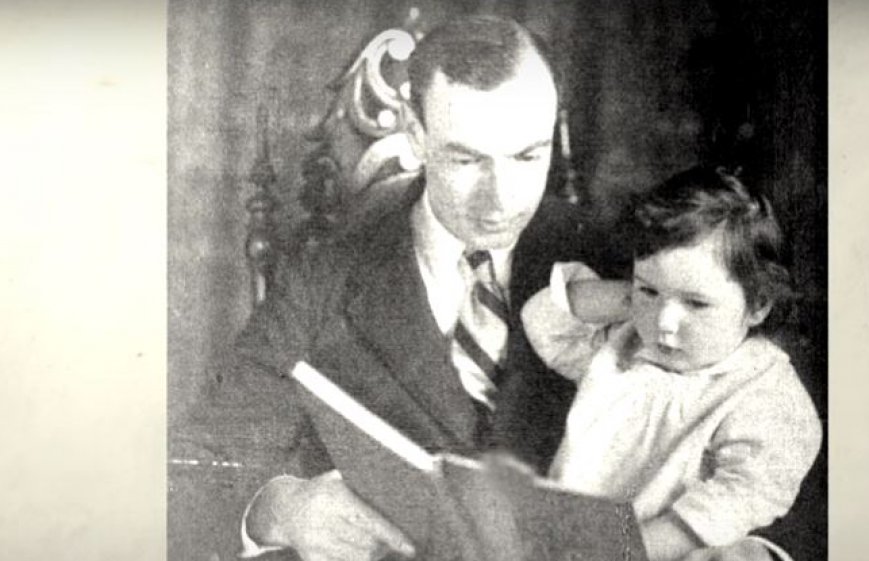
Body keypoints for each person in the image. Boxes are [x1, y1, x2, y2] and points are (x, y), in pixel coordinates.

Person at [213, 15, 800, 561]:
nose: (501, 201)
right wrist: (279, 508)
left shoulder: (631, 262)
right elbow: (206, 453)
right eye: (467, 161)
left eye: (528, 156)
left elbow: (772, 483)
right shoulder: (327, 272)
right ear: (416, 135)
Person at [521, 166, 823, 561]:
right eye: (647, 289)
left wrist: (617, 550)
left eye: (695, 303)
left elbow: (736, 498)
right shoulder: (624, 345)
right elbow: (546, 321)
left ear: (758, 304)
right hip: (565, 544)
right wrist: (634, 300)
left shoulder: (764, 391)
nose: (664, 324)